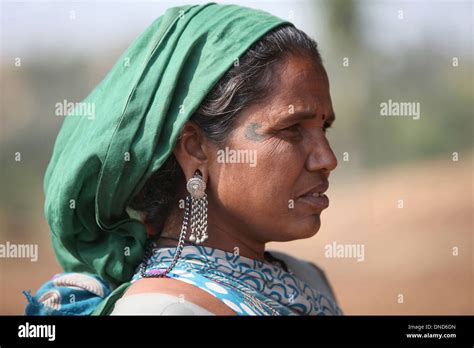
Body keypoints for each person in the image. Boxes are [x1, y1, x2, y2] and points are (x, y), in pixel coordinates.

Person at [24, 3, 342, 316]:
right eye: (292, 128)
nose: (326, 158)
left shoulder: (307, 279)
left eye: (324, 126)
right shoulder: (162, 309)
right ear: (195, 149)